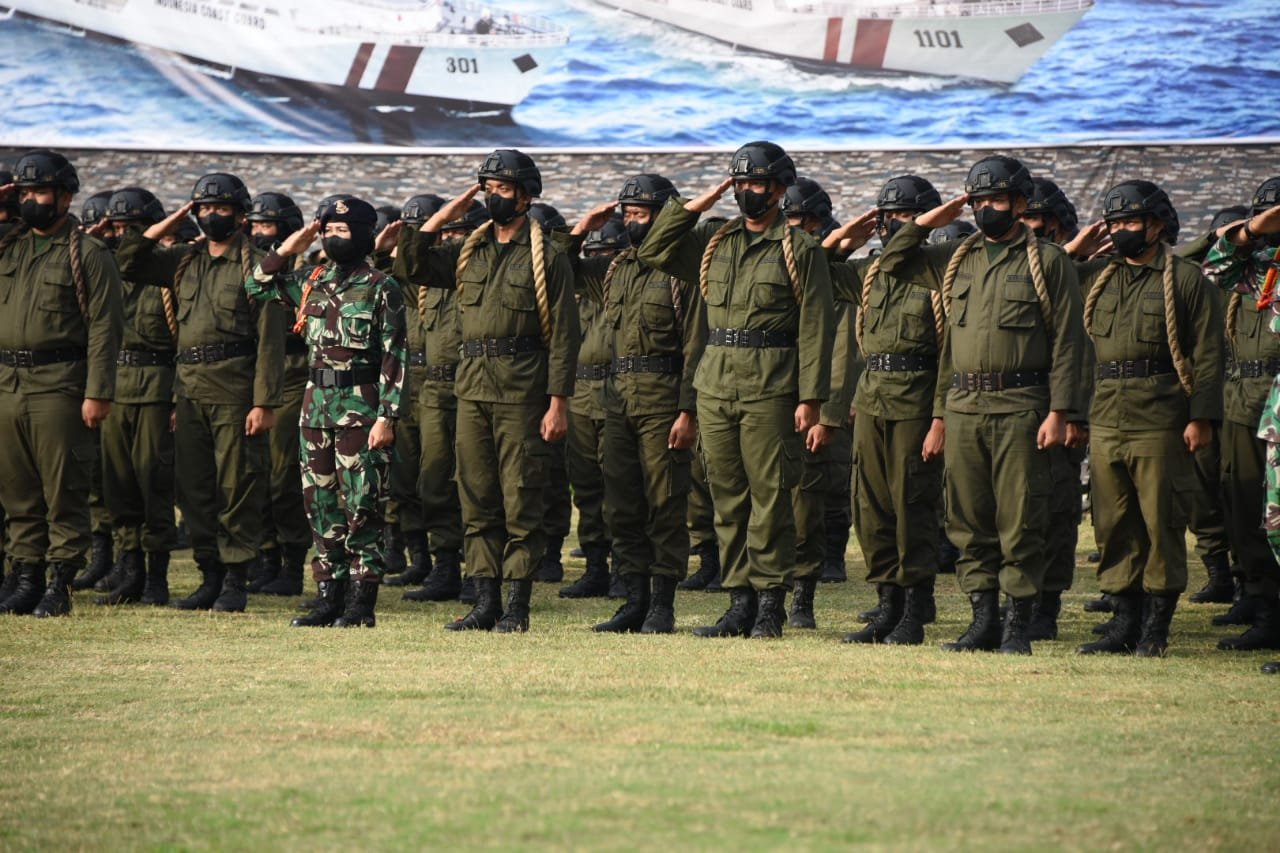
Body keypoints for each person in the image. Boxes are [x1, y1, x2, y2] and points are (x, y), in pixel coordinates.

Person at [876, 155, 1086, 654]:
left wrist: (1061, 413)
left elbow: (1068, 343)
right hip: (966, 404)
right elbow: (892, 262)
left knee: (1020, 518)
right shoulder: (957, 257)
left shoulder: (1049, 261)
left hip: (1021, 405)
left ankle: (1018, 624)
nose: (986, 208)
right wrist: (932, 220)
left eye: (995, 200)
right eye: (978, 201)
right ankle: (982, 619)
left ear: (1018, 203)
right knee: (970, 520)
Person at [638, 141, 835, 639]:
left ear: (778, 188)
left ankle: (770, 604)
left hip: (771, 386)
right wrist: (705, 199)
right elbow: (654, 248)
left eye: (756, 183)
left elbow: (816, 325)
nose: (747, 192)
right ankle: (739, 601)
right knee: (726, 498)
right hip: (717, 384)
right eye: (740, 183)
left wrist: (811, 399)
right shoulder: (714, 241)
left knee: (769, 498)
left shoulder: (800, 249)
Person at [389, 149, 580, 633]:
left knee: (520, 496)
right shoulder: (467, 251)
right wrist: (447, 214)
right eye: (487, 189)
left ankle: (516, 605)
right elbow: (411, 264)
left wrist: (558, 403)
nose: (493, 197)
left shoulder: (548, 256)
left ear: (526, 194)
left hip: (521, 388)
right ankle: (484, 600)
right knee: (475, 495)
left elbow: (563, 335)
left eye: (503, 189)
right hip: (471, 386)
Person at [1066, 181, 1223, 656]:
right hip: (1108, 413)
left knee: (1161, 523)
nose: (1120, 231)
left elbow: (1209, 354)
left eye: (1129, 222)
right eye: (1114, 224)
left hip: (1162, 415)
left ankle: (1156, 626)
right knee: (1113, 523)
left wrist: (1202, 418)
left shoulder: (1186, 279)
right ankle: (1123, 621)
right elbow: (1052, 281)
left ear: (1157, 225)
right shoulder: (1099, 277)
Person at [117, 172, 285, 613]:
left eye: (221, 209)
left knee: (237, 485)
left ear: (241, 215)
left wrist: (263, 402)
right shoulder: (183, 260)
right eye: (204, 208)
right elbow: (128, 261)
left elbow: (270, 338)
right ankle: (208, 575)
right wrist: (173, 218)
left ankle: (234, 579)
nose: (212, 216)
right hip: (189, 387)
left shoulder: (256, 265)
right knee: (194, 489)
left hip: (234, 388)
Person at [247, 197, 407, 627]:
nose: (333, 238)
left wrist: (387, 418)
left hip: (362, 405)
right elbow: (258, 282)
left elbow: (395, 356)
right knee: (320, 503)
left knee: (362, 503)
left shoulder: (381, 286)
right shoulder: (311, 280)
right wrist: (295, 243)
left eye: (342, 231)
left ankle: (360, 603)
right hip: (315, 406)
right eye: (327, 231)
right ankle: (328, 597)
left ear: (363, 234)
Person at [565, 173, 705, 632]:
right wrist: (584, 227)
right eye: (627, 214)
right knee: (621, 503)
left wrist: (688, 411)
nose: (630, 222)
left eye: (640, 215)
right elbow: (559, 270)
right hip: (617, 397)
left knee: (664, 502)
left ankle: (662, 604)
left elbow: (694, 344)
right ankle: (634, 598)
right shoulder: (618, 267)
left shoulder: (684, 269)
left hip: (663, 399)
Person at [0, 150, 123, 617]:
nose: (31, 200)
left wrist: (98, 392)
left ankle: (59, 581)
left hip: (59, 384)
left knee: (63, 488)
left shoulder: (88, 254)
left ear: (65, 197)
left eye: (40, 192)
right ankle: (25, 575)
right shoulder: (9, 245)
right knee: (16, 488)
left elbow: (105, 329)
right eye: (24, 193)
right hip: (8, 381)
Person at [824, 174, 945, 645]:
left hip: (917, 401)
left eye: (904, 216)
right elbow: (819, 277)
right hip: (872, 400)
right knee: (871, 508)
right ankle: (887, 605)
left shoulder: (941, 271)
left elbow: (952, 353)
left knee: (911, 504)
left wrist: (940, 418)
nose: (893, 224)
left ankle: (914, 610)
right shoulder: (869, 272)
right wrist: (840, 242)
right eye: (887, 216)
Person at [1201, 178, 1280, 665]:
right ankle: (1267, 611)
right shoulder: (1257, 271)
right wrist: (1252, 230)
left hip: (1274, 393)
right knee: (1246, 506)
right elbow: (1212, 266)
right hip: (1246, 400)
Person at [90, 187, 179, 606]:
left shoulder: (168, 272)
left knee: (153, 483)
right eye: (118, 228)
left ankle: (156, 577)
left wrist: (178, 398)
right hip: (114, 387)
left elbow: (185, 338)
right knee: (118, 486)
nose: (123, 236)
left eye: (133, 229)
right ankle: (129, 570)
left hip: (156, 388)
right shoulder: (100, 271)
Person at [780, 176, 858, 629]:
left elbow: (844, 346)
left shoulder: (833, 270)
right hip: (775, 394)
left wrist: (829, 408)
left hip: (819, 399)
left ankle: (811, 584)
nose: (793, 229)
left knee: (820, 490)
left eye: (800, 222)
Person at [244, 191, 311, 596]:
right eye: (253, 226)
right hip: (254, 375)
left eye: (265, 226)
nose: (257, 232)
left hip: (294, 376)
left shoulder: (309, 272)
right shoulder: (255, 268)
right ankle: (265, 556)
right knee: (256, 473)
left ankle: (290, 563)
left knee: (285, 475)